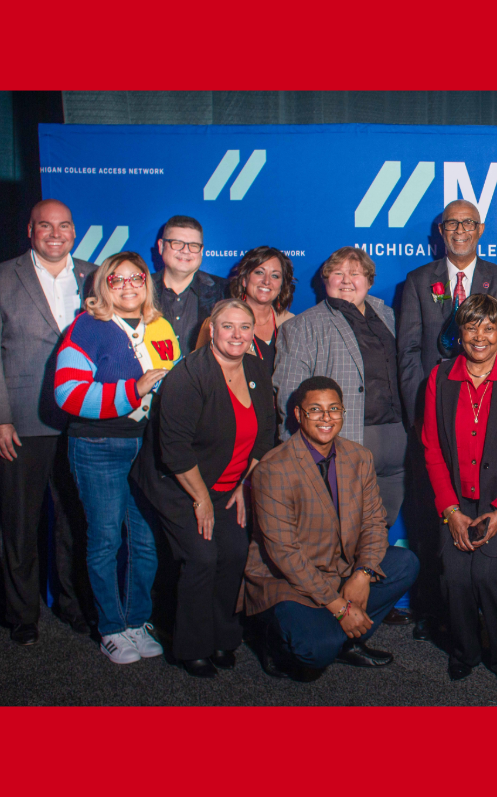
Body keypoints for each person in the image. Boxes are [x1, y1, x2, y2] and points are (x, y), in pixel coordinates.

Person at [397, 200, 497, 641]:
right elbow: (410, 356)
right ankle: (439, 616)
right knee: (434, 521)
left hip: (489, 414)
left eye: (468, 223)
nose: (460, 230)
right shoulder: (418, 281)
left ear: (480, 230)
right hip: (441, 419)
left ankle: (493, 623)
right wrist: (427, 413)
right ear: (441, 229)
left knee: (490, 538)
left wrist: (495, 399)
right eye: (452, 223)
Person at [131, 299, 275, 677]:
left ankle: (223, 637)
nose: (237, 335)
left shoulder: (256, 367)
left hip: (228, 484)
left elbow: (265, 436)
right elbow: (175, 451)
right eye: (228, 326)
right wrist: (200, 500)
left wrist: (245, 485)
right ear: (212, 329)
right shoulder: (189, 376)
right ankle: (191, 646)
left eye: (245, 327)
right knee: (201, 556)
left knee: (234, 552)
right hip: (179, 484)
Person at [0, 199, 93, 645]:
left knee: (75, 520)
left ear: (74, 231)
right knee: (20, 522)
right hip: (22, 421)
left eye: (64, 225)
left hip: (83, 418)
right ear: (30, 230)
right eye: (46, 226)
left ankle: (72, 604)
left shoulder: (95, 274)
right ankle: (22, 613)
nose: (55, 234)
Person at [245, 376, 420, 681]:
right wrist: (340, 607)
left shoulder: (359, 457)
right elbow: (284, 554)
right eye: (316, 410)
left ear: (343, 413)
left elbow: (374, 522)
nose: (326, 418)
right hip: (288, 580)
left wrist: (363, 574)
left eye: (334, 409)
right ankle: (275, 637)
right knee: (315, 654)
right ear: (299, 415)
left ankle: (349, 639)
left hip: (341, 568)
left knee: (405, 564)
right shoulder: (273, 469)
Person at [54, 252, 180, 664]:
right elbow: (67, 394)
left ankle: (136, 620)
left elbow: (173, 380)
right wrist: (133, 389)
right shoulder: (87, 327)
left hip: (147, 448)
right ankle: (110, 626)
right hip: (99, 446)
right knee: (106, 540)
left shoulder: (159, 325)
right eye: (117, 280)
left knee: (145, 542)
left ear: (147, 283)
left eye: (135, 278)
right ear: (102, 286)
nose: (128, 286)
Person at [421, 294, 497, 686]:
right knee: (455, 577)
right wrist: (450, 511)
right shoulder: (440, 378)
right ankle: (465, 650)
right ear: (459, 333)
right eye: (471, 326)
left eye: (489, 328)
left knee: (491, 577)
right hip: (457, 501)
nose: (480, 336)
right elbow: (432, 449)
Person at [274, 247, 405, 528]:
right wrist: (297, 459)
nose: (346, 280)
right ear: (326, 280)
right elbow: (288, 396)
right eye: (338, 273)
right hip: (343, 445)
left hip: (396, 448)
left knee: (379, 532)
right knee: (341, 533)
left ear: (369, 281)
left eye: (355, 274)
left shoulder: (389, 316)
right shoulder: (302, 327)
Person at [152, 215, 228, 356]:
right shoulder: (139, 289)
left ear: (201, 251)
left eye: (193, 245)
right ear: (161, 246)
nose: (185, 251)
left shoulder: (226, 291)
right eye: (177, 243)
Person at [222, 246, 296, 372]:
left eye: (275, 276)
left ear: (282, 284)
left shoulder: (292, 322)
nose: (266, 281)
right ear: (244, 279)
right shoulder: (222, 321)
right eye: (259, 272)